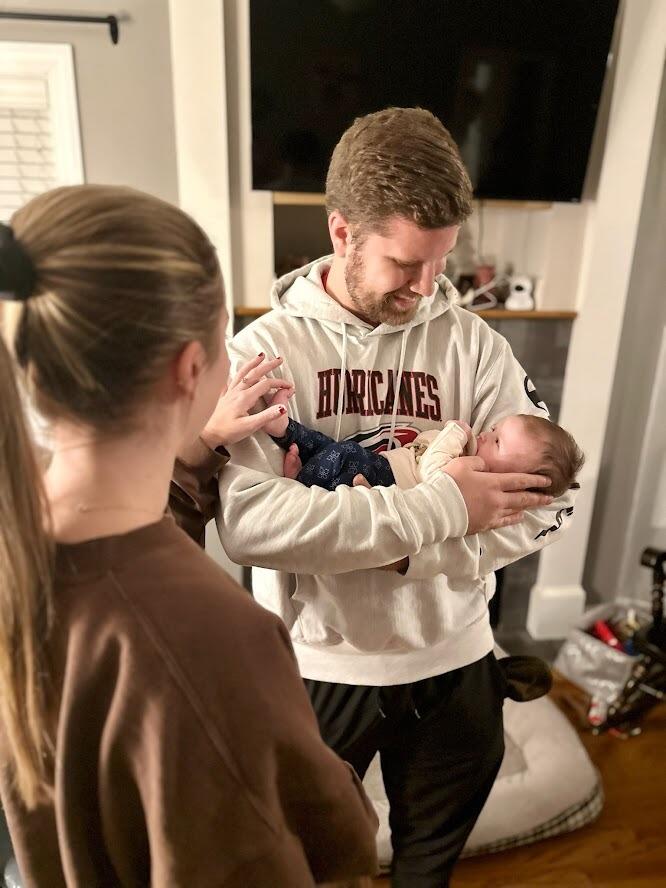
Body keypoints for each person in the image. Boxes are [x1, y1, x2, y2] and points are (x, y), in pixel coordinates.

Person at [174, 108, 576, 887]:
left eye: (442, 262)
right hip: (323, 668)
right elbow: (254, 525)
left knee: (428, 869)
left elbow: (548, 502)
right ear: (341, 235)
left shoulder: (474, 345)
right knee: (309, 863)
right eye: (403, 264)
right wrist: (447, 510)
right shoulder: (262, 354)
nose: (427, 289)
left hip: (458, 660)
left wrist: (400, 561)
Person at [0, 185, 379, 888]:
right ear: (189, 368)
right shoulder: (215, 641)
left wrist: (197, 447)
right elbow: (332, 847)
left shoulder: (22, 544)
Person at [264, 404, 584, 497]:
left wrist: (455, 433)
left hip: (386, 480)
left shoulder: (471, 473)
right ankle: (285, 430)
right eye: (496, 429)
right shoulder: (472, 452)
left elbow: (434, 473)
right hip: (381, 464)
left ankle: (300, 485)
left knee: (340, 459)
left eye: (498, 442)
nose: (487, 434)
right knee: (329, 448)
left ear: (512, 478)